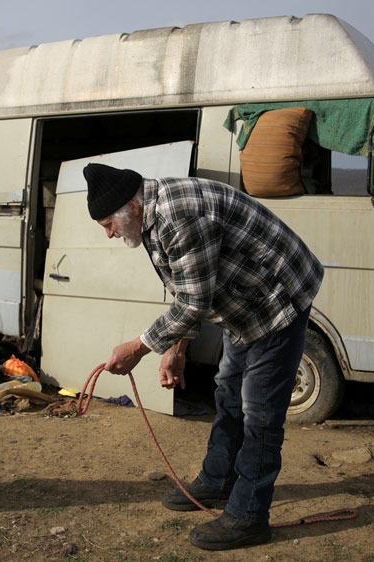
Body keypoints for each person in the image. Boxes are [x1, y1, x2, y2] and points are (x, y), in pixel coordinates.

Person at [82, 162, 323, 551]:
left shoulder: (179, 215)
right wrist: (176, 349)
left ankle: (249, 516)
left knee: (260, 411)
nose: (110, 234)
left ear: (131, 204)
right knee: (228, 392)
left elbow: (194, 302)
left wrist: (140, 347)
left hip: (276, 300)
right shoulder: (149, 219)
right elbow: (185, 288)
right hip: (241, 302)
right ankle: (217, 480)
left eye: (108, 224)